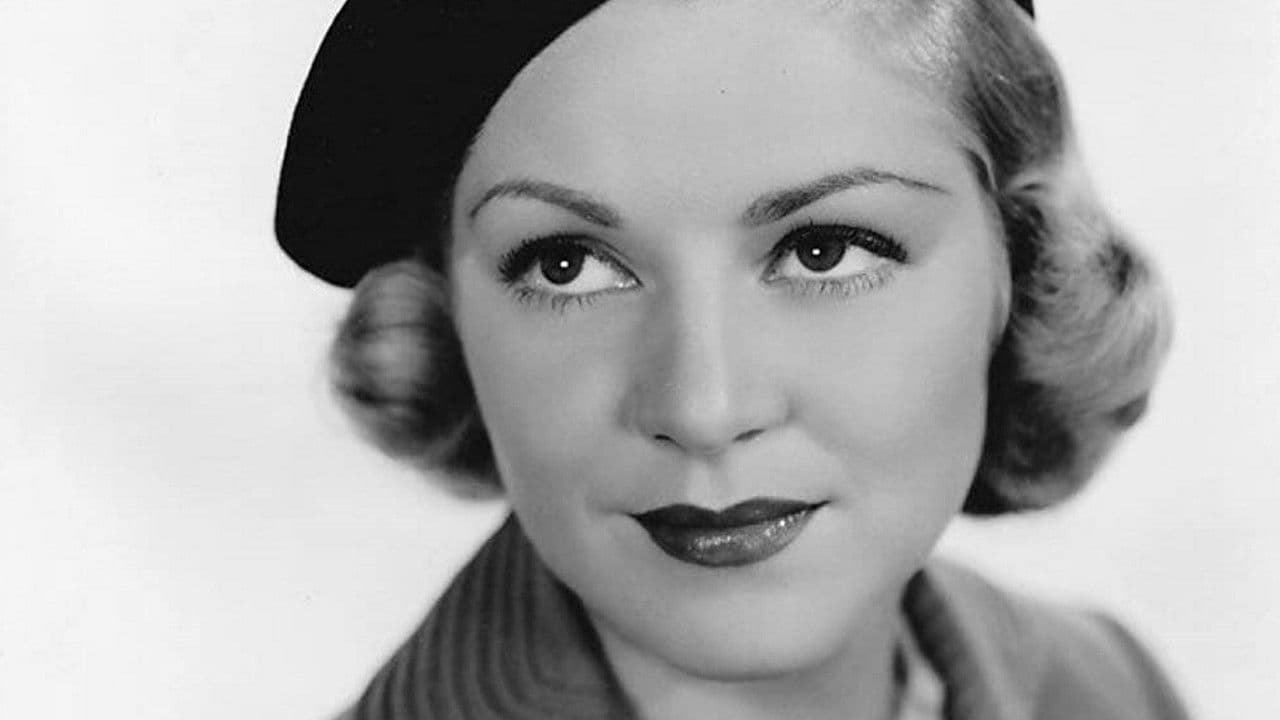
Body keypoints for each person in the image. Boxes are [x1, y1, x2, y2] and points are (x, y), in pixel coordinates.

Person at [275, 0, 1189, 718]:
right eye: (567, 266)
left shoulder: (1109, 690)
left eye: (825, 251)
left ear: (1020, 270)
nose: (703, 407)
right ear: (450, 325)